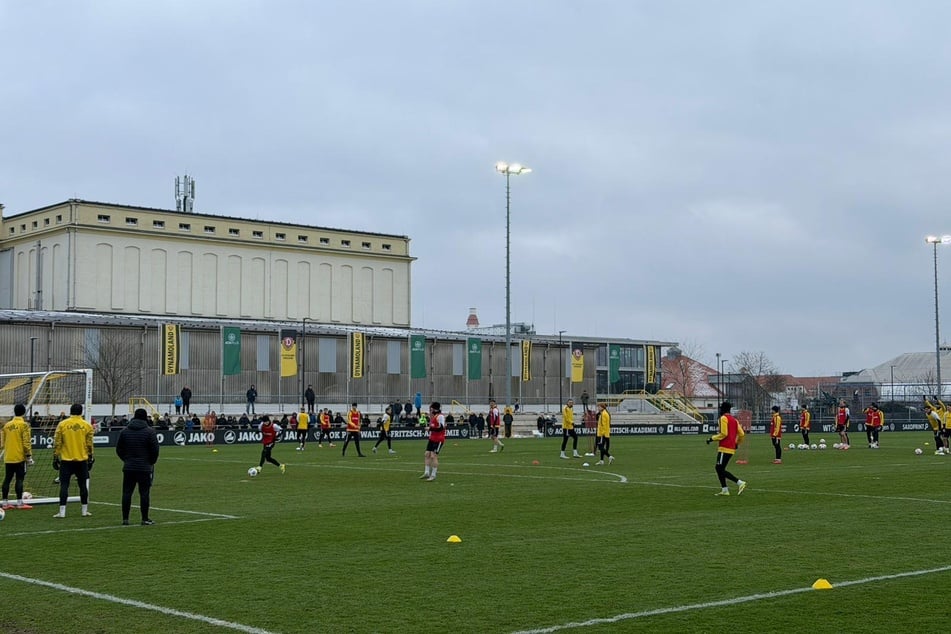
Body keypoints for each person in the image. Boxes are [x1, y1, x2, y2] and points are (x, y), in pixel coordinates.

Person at [116, 408, 160, 525]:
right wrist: (151, 462)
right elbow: (155, 450)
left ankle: (125, 519)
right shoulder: (149, 432)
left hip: (129, 466)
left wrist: (126, 459)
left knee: (127, 493)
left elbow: (119, 449)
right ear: (145, 417)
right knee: (144, 493)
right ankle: (144, 518)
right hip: (144, 467)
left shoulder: (125, 431)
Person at [52, 403, 95, 518]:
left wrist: (55, 456)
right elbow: (89, 443)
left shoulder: (62, 424)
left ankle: (62, 512)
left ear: (70, 411)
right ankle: (84, 511)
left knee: (64, 485)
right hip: (81, 460)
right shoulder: (87, 425)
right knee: (82, 485)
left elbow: (57, 442)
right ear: (81, 412)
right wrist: (91, 456)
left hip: (66, 460)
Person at [707, 401, 747, 496]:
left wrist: (711, 438)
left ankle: (740, 482)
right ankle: (725, 490)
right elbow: (742, 434)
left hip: (724, 447)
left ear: (723, 409)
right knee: (720, 468)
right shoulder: (734, 420)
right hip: (731, 448)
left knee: (719, 469)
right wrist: (737, 443)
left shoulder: (723, 418)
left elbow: (723, 434)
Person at [1, 403, 34, 510]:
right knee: (19, 479)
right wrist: (28, 456)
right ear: (24, 412)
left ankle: (5, 503)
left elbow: (3, 443)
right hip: (19, 457)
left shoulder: (6, 426)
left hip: (8, 457)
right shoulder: (24, 425)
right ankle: (20, 503)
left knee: (7, 479)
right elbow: (26, 442)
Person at [420, 402, 446, 481]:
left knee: (433, 456)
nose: (430, 409)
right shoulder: (433, 416)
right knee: (427, 454)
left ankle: (433, 475)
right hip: (432, 438)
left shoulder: (440, 416)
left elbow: (441, 428)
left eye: (431, 408)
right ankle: (427, 472)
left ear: (435, 409)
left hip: (439, 439)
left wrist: (430, 429)